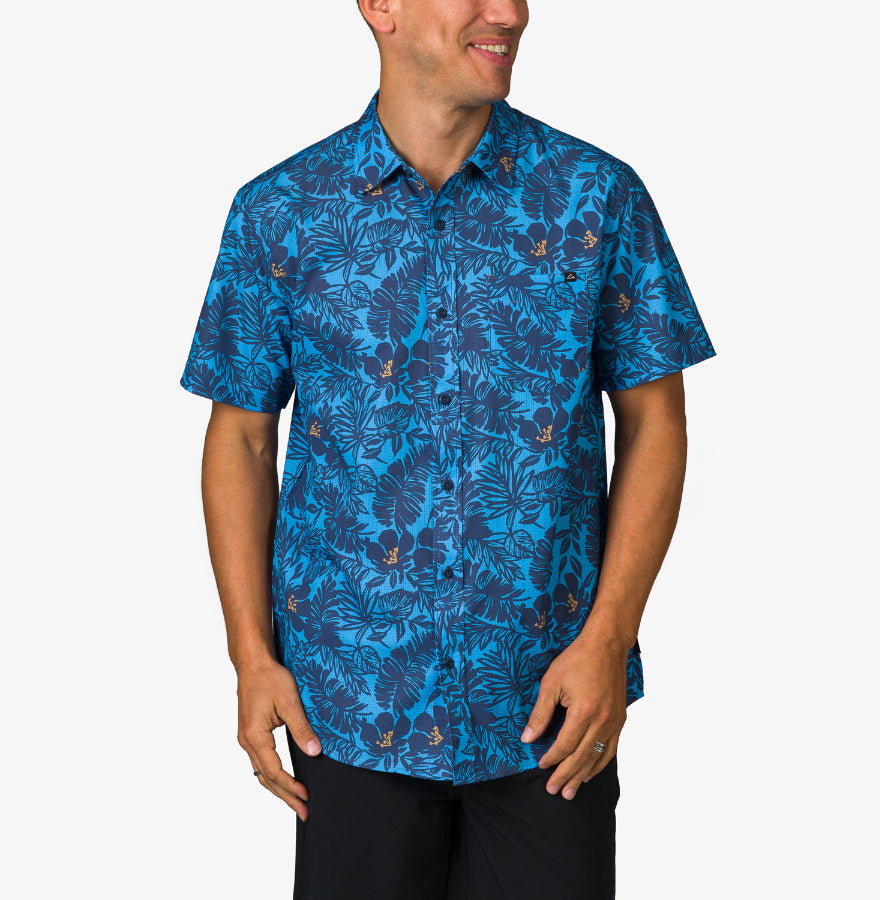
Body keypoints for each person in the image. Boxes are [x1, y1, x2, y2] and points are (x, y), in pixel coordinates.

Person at [178, 0, 716, 896]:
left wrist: (610, 636)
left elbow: (656, 420)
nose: (509, 12)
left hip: (551, 707)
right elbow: (240, 434)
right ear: (380, 7)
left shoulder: (596, 197)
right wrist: (250, 656)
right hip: (349, 703)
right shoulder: (280, 213)